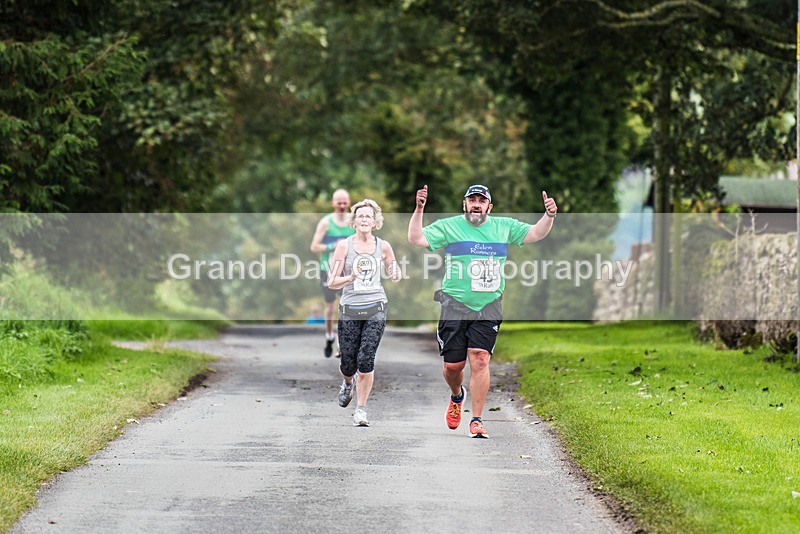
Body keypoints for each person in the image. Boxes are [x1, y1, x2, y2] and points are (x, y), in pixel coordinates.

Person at [407, 184, 557, 438]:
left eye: (481, 200)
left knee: (480, 358)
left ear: (489, 206)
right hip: (454, 304)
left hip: (488, 304)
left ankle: (476, 420)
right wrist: (419, 208)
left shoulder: (504, 226)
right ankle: (457, 396)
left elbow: (534, 234)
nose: (476, 204)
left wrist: (549, 216)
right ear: (464, 204)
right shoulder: (449, 226)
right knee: (453, 367)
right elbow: (416, 239)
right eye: (472, 199)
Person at [327, 199, 402, 426]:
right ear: (354, 220)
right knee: (348, 363)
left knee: (366, 358)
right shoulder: (344, 246)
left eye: (368, 216)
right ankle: (347, 383)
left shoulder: (384, 246)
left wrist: (396, 271)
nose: (364, 220)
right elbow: (331, 281)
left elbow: (393, 270)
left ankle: (361, 410)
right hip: (349, 308)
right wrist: (350, 278)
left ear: (375, 221)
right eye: (360, 216)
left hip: (376, 306)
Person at [310, 189, 355, 357]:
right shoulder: (326, 223)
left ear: (349, 202)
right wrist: (332, 246)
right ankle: (329, 335)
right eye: (339, 203)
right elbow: (314, 247)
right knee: (330, 306)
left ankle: (341, 343)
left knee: (346, 305)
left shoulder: (354, 222)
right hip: (327, 269)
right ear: (333, 203)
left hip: (348, 271)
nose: (342, 206)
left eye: (345, 203)